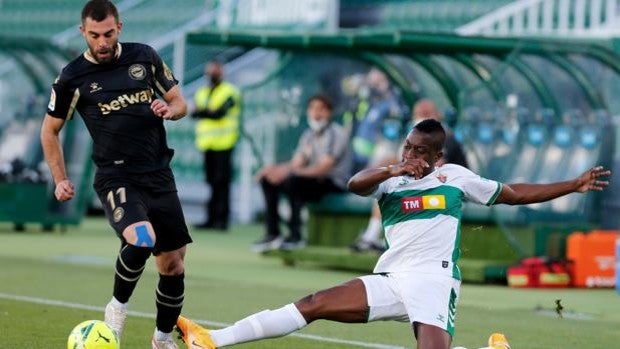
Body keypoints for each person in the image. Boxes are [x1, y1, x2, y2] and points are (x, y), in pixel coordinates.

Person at [176, 119, 609, 349]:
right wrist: (393, 167)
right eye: (408, 147)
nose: (412, 155)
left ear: (438, 157)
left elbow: (513, 194)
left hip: (435, 281)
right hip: (391, 277)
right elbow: (353, 184)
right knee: (314, 303)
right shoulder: (391, 178)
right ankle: (214, 338)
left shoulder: (455, 178)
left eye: (420, 152)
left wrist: (572, 183)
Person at [40, 1, 191, 348]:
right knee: (141, 238)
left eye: (108, 33)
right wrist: (60, 178)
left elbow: (181, 102)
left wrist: (171, 109)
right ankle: (116, 309)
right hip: (115, 176)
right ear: (83, 33)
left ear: (119, 27)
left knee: (173, 267)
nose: (102, 42)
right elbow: (49, 131)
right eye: (94, 35)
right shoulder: (71, 78)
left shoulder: (145, 57)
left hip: (158, 173)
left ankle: (162, 339)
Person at [351, 98, 469, 252]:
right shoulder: (413, 136)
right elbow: (402, 162)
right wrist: (388, 167)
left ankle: (386, 242)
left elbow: (436, 167)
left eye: (426, 113)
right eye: (418, 113)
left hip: (448, 189)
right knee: (388, 191)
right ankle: (371, 237)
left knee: (406, 196)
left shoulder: (445, 137)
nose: (422, 117)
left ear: (438, 116)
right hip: (423, 184)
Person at [251, 94, 352, 252]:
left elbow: (323, 168)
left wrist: (290, 173)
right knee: (268, 180)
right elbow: (296, 163)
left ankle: (295, 236)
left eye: (321, 109)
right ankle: (273, 233)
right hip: (310, 182)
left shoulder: (337, 134)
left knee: (294, 181)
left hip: (333, 183)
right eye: (312, 109)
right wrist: (274, 170)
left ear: (329, 112)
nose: (316, 113)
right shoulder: (308, 135)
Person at [192, 61, 241, 231]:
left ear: (221, 72)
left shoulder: (230, 91)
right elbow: (194, 113)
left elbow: (219, 113)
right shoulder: (202, 92)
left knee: (222, 183)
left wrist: (203, 112)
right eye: (209, 71)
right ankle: (211, 219)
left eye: (215, 70)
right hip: (207, 144)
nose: (212, 74)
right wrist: (207, 112)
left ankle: (222, 220)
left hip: (225, 144)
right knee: (212, 182)